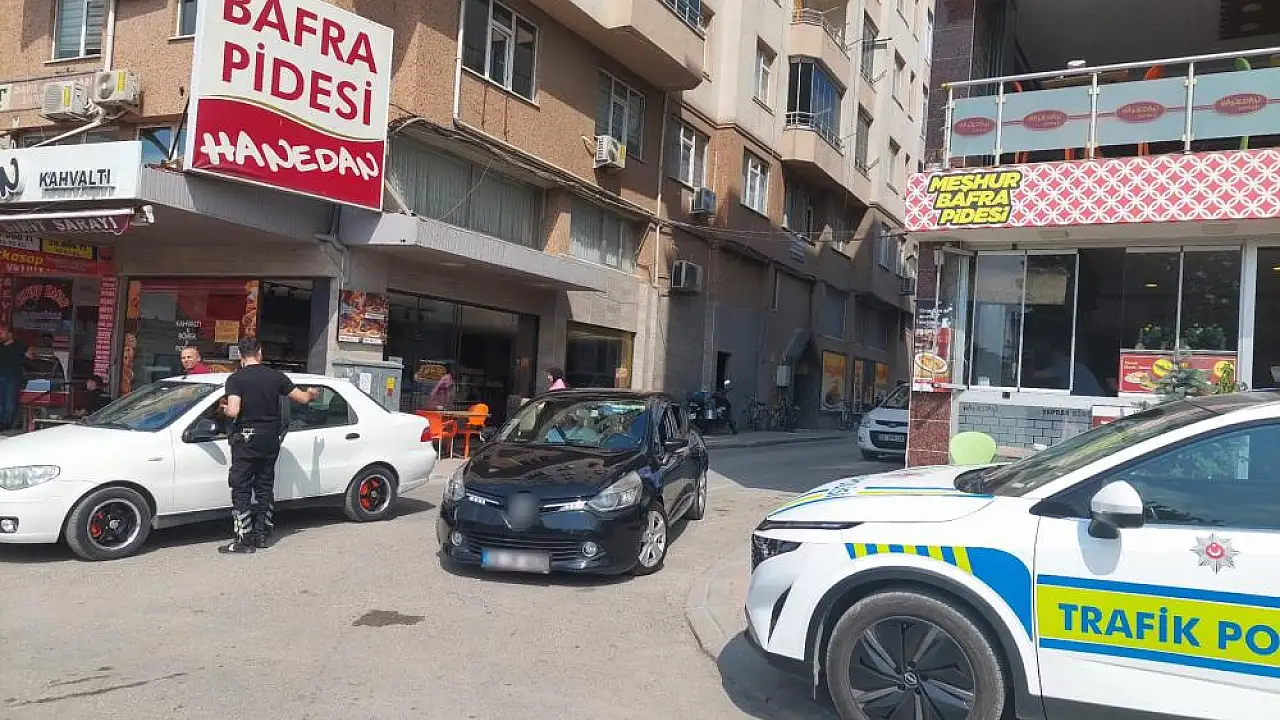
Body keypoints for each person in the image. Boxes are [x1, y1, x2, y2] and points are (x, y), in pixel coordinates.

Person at [218, 337, 318, 554]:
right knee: (264, 486)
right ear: (260, 353)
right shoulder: (276, 376)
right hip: (270, 438)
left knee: (241, 487)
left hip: (246, 439)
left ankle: (243, 540)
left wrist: (223, 409)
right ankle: (262, 535)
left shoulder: (236, 379)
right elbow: (302, 398)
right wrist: (311, 393)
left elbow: (233, 411)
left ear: (240, 355)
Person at [0, 325, 32, 430]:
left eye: (2, 332)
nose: (0, 335)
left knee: (9, 402)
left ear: (10, 334)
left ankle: (5, 423)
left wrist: (29, 353)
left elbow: (29, 355)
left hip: (12, 377)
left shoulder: (19, 346)